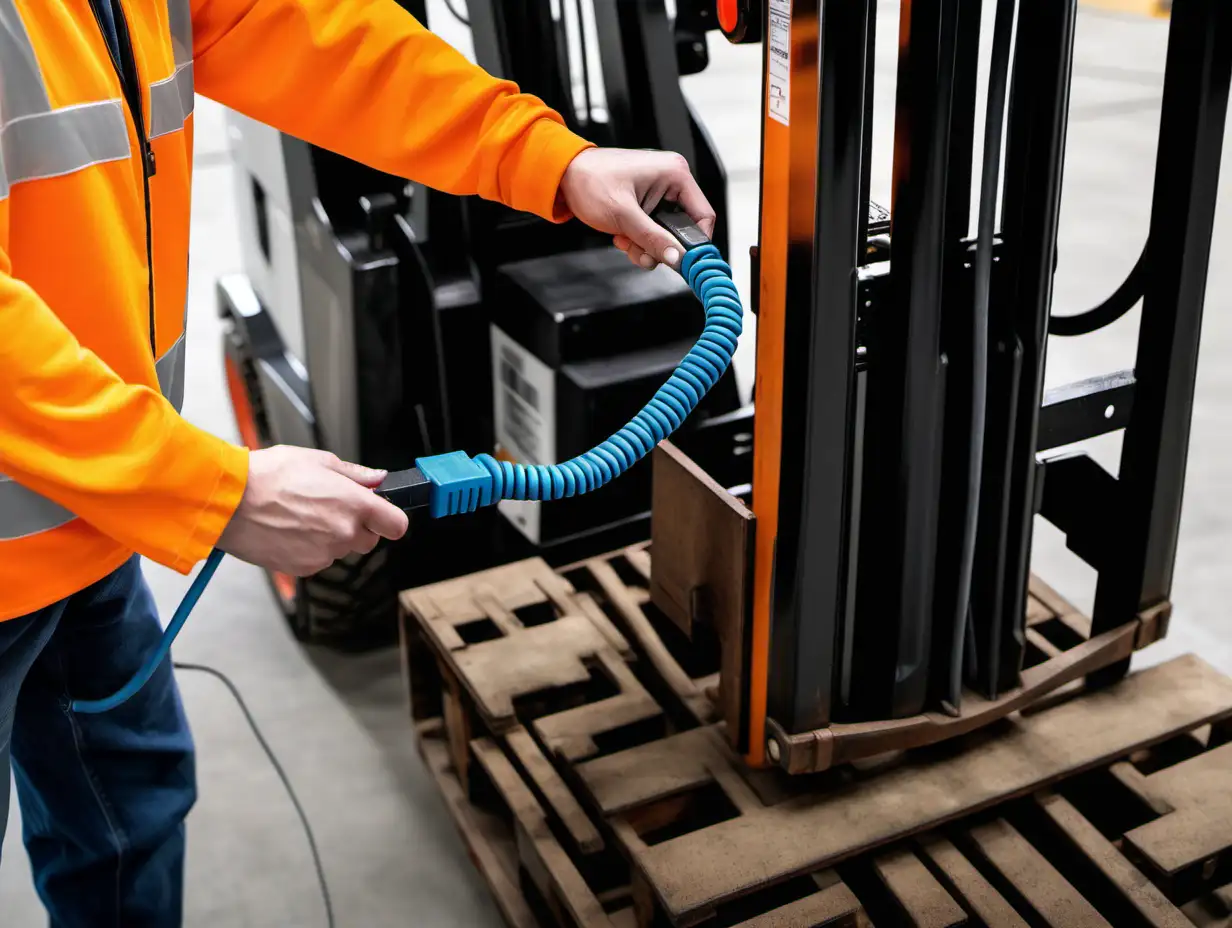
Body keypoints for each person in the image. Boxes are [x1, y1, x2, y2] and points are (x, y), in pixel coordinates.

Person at [0, 1, 716, 924]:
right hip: (75, 491)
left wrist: (553, 160)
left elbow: (295, 25)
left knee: (129, 806)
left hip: (81, 512)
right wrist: (197, 485)